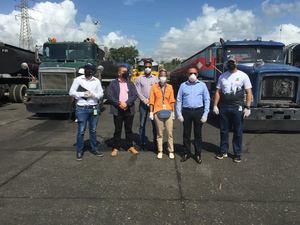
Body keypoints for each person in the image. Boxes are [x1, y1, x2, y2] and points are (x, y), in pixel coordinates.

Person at [213, 57, 252, 163]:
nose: (231, 64)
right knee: (223, 130)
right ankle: (223, 151)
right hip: (224, 107)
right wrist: (215, 105)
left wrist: (248, 107)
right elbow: (218, 92)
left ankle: (237, 154)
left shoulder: (243, 75)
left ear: (237, 63)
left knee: (238, 132)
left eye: (233, 62)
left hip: (237, 107)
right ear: (227, 64)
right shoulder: (222, 76)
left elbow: (249, 92)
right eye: (229, 62)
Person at [69, 63, 104, 161]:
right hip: (81, 108)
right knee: (81, 131)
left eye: (89, 69)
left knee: (93, 130)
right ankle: (79, 151)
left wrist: (93, 95)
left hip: (94, 108)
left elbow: (101, 94)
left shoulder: (96, 81)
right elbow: (71, 92)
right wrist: (83, 93)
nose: (87, 70)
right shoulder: (78, 80)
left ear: (92, 71)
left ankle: (94, 149)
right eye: (85, 69)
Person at [176, 67, 210, 164]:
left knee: (197, 134)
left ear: (197, 74)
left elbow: (207, 99)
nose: (192, 75)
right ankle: (186, 153)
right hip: (186, 111)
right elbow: (179, 100)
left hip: (198, 111)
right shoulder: (183, 85)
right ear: (187, 74)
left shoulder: (202, 85)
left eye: (194, 73)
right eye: (190, 73)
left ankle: (198, 154)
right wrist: (179, 114)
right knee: (186, 134)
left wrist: (205, 114)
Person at [106, 65, 139, 157]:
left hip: (128, 109)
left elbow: (134, 95)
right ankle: (116, 147)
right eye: (124, 71)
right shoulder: (113, 83)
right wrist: (119, 103)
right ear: (119, 73)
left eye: (126, 71)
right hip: (117, 109)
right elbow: (109, 95)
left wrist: (126, 103)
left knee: (129, 129)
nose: (126, 73)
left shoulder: (130, 83)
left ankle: (130, 146)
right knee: (118, 129)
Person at [149, 69, 176, 159]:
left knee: (170, 133)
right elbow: (151, 100)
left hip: (168, 111)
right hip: (157, 112)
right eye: (161, 76)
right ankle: (160, 150)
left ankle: (170, 150)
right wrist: (151, 112)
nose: (163, 77)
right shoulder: (154, 87)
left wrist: (173, 112)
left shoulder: (170, 87)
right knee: (159, 133)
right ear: (158, 77)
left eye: (164, 76)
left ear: (166, 77)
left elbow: (172, 100)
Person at [135, 60, 159, 150]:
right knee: (142, 124)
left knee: (155, 124)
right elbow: (138, 90)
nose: (147, 68)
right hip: (143, 104)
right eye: (146, 67)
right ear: (143, 68)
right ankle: (142, 143)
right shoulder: (139, 78)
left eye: (149, 67)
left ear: (151, 68)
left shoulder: (156, 79)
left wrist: (152, 100)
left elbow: (158, 90)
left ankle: (156, 143)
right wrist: (144, 100)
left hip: (154, 104)